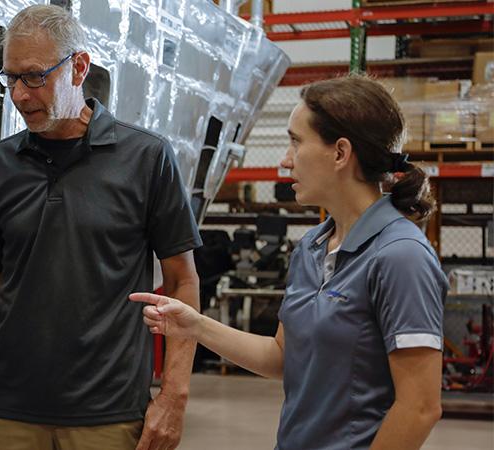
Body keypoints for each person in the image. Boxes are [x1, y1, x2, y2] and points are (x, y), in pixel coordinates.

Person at [131, 75, 448, 450]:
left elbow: (420, 407)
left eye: (296, 142)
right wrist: (195, 325)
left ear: (340, 153)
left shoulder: (401, 256)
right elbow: (280, 357)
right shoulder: (311, 247)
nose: (285, 160)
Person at [0, 5, 202, 450]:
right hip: (6, 413)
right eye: (10, 78)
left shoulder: (146, 158)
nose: (20, 95)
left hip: (108, 414)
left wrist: (174, 397)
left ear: (79, 67)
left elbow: (183, 282)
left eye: (34, 76)